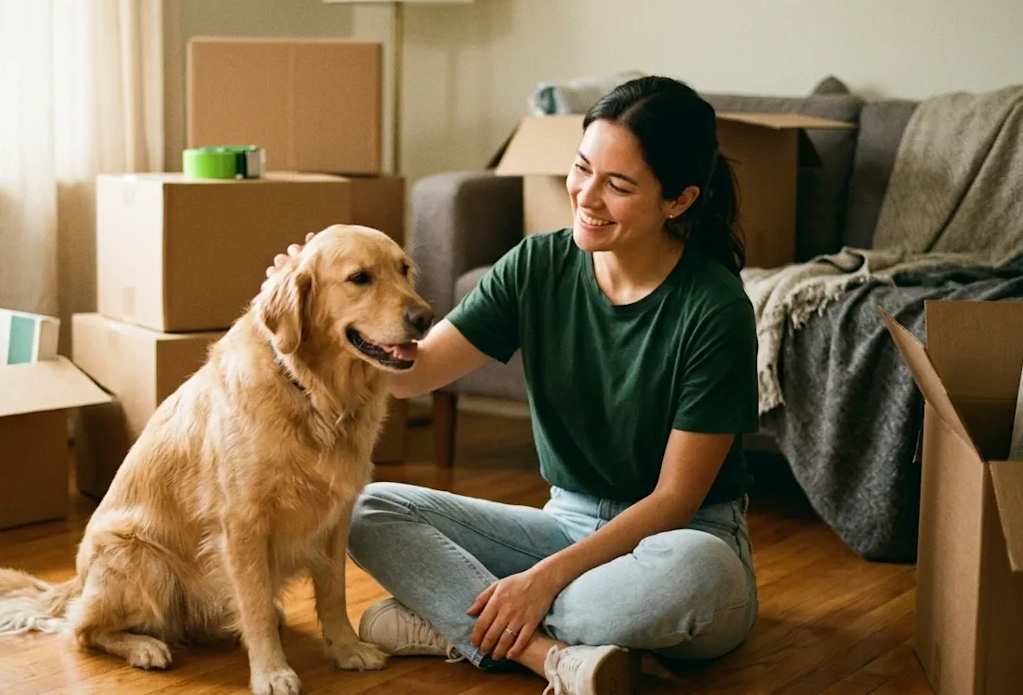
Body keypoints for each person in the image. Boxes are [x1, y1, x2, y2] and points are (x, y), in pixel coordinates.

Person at [266, 76, 760, 695]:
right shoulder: (537, 265)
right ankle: (548, 657)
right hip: (566, 522)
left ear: (679, 200)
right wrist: (318, 306)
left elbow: (675, 501)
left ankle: (454, 624)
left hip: (679, 539)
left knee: (695, 576)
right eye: (582, 169)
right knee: (370, 509)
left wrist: (542, 581)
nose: (587, 196)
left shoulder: (715, 308)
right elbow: (412, 375)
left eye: (620, 185)